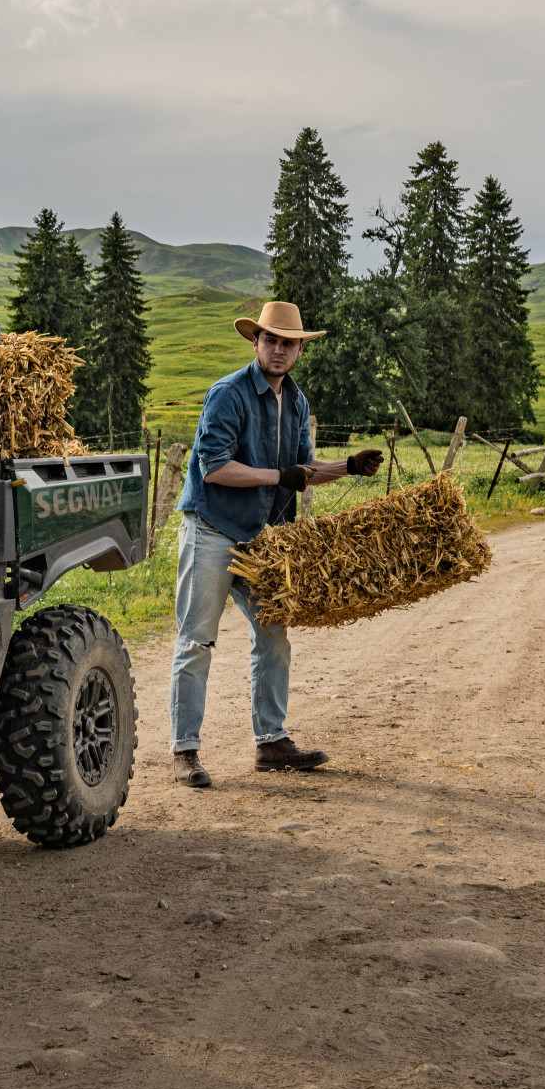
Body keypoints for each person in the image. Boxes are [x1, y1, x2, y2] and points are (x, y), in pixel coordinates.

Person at [168, 301, 381, 787]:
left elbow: (299, 475)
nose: (279, 349)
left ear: (301, 348)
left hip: (262, 539)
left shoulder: (298, 402)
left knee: (273, 637)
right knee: (197, 639)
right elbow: (214, 468)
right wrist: (276, 476)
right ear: (256, 342)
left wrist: (347, 467)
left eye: (289, 342)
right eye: (271, 340)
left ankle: (271, 742)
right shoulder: (228, 394)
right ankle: (184, 751)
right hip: (213, 531)